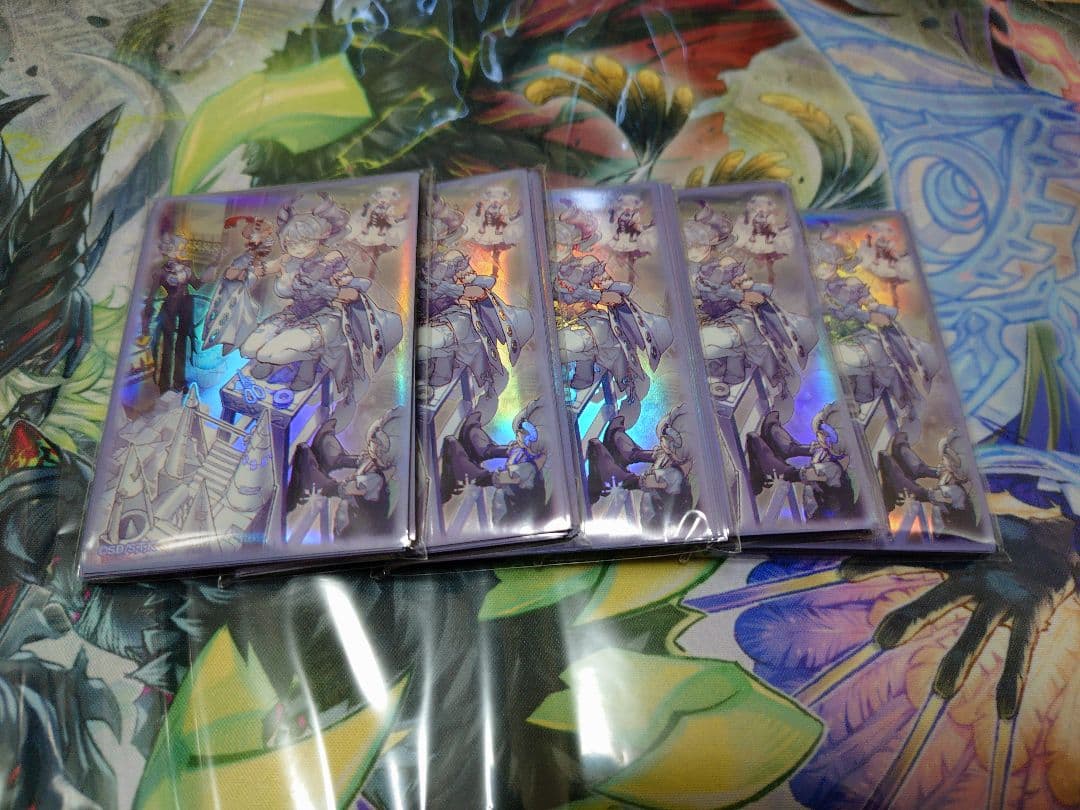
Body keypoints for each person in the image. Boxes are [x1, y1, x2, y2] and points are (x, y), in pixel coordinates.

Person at [141, 233, 202, 393]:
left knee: (182, 344)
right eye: (180, 248)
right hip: (170, 307)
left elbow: (197, 285)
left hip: (186, 306)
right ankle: (164, 385)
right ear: (171, 250)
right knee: (167, 346)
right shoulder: (161, 271)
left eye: (183, 248)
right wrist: (145, 323)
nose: (183, 251)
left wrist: (210, 271)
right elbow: (151, 296)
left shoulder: (187, 265)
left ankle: (179, 382)